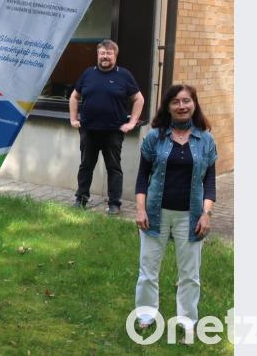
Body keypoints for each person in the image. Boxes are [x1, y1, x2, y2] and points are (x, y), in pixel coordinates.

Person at [133, 84, 217, 339]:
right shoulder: (154, 137)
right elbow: (141, 178)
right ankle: (146, 315)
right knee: (148, 271)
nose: (182, 106)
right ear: (168, 107)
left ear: (194, 104)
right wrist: (140, 210)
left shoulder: (206, 139)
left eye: (187, 101)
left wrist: (206, 213)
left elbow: (210, 182)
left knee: (190, 274)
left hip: (190, 217)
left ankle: (188, 320)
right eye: (176, 102)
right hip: (155, 215)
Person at [69, 39, 144, 215]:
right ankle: (80, 199)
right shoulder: (88, 74)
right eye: (102, 53)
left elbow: (139, 99)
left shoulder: (124, 75)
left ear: (115, 56)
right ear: (98, 55)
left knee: (114, 167)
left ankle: (114, 204)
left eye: (109, 53)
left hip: (113, 131)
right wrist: (73, 119)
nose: (105, 56)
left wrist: (132, 123)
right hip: (89, 130)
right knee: (86, 166)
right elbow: (74, 97)